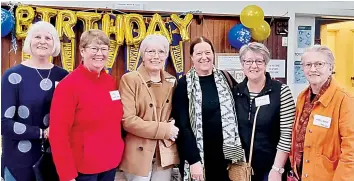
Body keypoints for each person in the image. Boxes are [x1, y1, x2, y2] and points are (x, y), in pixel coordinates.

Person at [49, 29, 125, 181]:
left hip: (110, 164)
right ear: (82, 51)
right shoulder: (68, 86)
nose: (100, 53)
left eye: (104, 49)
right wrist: (67, 175)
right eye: (94, 48)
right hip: (84, 170)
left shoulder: (109, 82)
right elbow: (58, 134)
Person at [1, 21, 68, 181]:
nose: (42, 41)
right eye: (37, 36)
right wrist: (42, 133)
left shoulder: (64, 76)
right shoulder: (12, 76)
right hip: (18, 162)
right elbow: (4, 123)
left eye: (48, 37)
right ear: (29, 41)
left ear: (55, 44)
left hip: (53, 162)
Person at [172, 36, 244, 181]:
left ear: (213, 54)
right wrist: (193, 161)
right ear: (191, 57)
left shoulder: (226, 78)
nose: (204, 57)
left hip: (227, 158)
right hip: (200, 157)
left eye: (207, 52)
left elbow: (244, 101)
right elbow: (183, 126)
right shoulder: (184, 84)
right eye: (198, 53)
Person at [119, 34, 179, 181]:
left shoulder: (172, 81)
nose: (156, 56)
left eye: (161, 52)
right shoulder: (129, 80)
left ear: (166, 56)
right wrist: (165, 129)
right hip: (138, 155)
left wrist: (173, 124)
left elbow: (176, 113)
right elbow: (128, 120)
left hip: (164, 154)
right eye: (151, 51)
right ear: (143, 55)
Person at [289, 45, 354, 181]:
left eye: (319, 64)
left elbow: (351, 152)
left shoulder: (345, 100)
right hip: (302, 174)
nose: (313, 69)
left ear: (331, 68)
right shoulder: (302, 97)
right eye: (308, 64)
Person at [232, 42, 295, 181]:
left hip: (271, 169)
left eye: (259, 61)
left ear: (266, 63)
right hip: (241, 168)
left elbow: (287, 134)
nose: (253, 66)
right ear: (242, 64)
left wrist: (277, 169)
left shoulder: (281, 92)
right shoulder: (235, 92)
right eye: (248, 61)